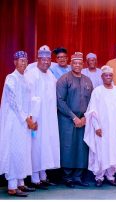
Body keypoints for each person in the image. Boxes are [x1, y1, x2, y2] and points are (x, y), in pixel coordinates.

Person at [84, 65, 116, 187]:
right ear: (102, 77)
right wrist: (96, 127)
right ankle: (99, 177)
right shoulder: (97, 91)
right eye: (105, 75)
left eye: (110, 75)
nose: (108, 77)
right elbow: (92, 111)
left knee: (114, 151)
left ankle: (111, 176)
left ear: (112, 76)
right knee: (101, 151)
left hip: (115, 129)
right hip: (102, 129)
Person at [0, 51, 36, 197]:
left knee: (23, 151)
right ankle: (12, 186)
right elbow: (13, 102)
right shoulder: (11, 78)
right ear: (15, 62)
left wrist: (31, 117)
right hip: (14, 122)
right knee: (14, 152)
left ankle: (21, 183)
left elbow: (28, 101)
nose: (23, 63)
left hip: (25, 122)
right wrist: (26, 118)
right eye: (21, 60)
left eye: (25, 60)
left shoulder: (25, 79)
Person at [25, 45, 60, 189]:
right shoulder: (31, 74)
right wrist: (32, 118)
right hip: (37, 118)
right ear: (38, 59)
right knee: (36, 146)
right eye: (43, 59)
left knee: (46, 145)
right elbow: (28, 97)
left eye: (48, 59)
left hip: (49, 117)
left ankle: (43, 175)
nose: (46, 62)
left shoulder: (50, 75)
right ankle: (34, 177)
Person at [56, 52, 93, 188]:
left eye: (79, 63)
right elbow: (60, 101)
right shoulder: (64, 79)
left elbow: (92, 102)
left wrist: (85, 117)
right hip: (67, 119)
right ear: (71, 64)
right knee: (68, 147)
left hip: (83, 120)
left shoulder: (88, 80)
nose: (77, 65)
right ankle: (67, 177)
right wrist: (73, 117)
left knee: (81, 148)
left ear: (83, 65)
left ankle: (78, 177)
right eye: (75, 63)